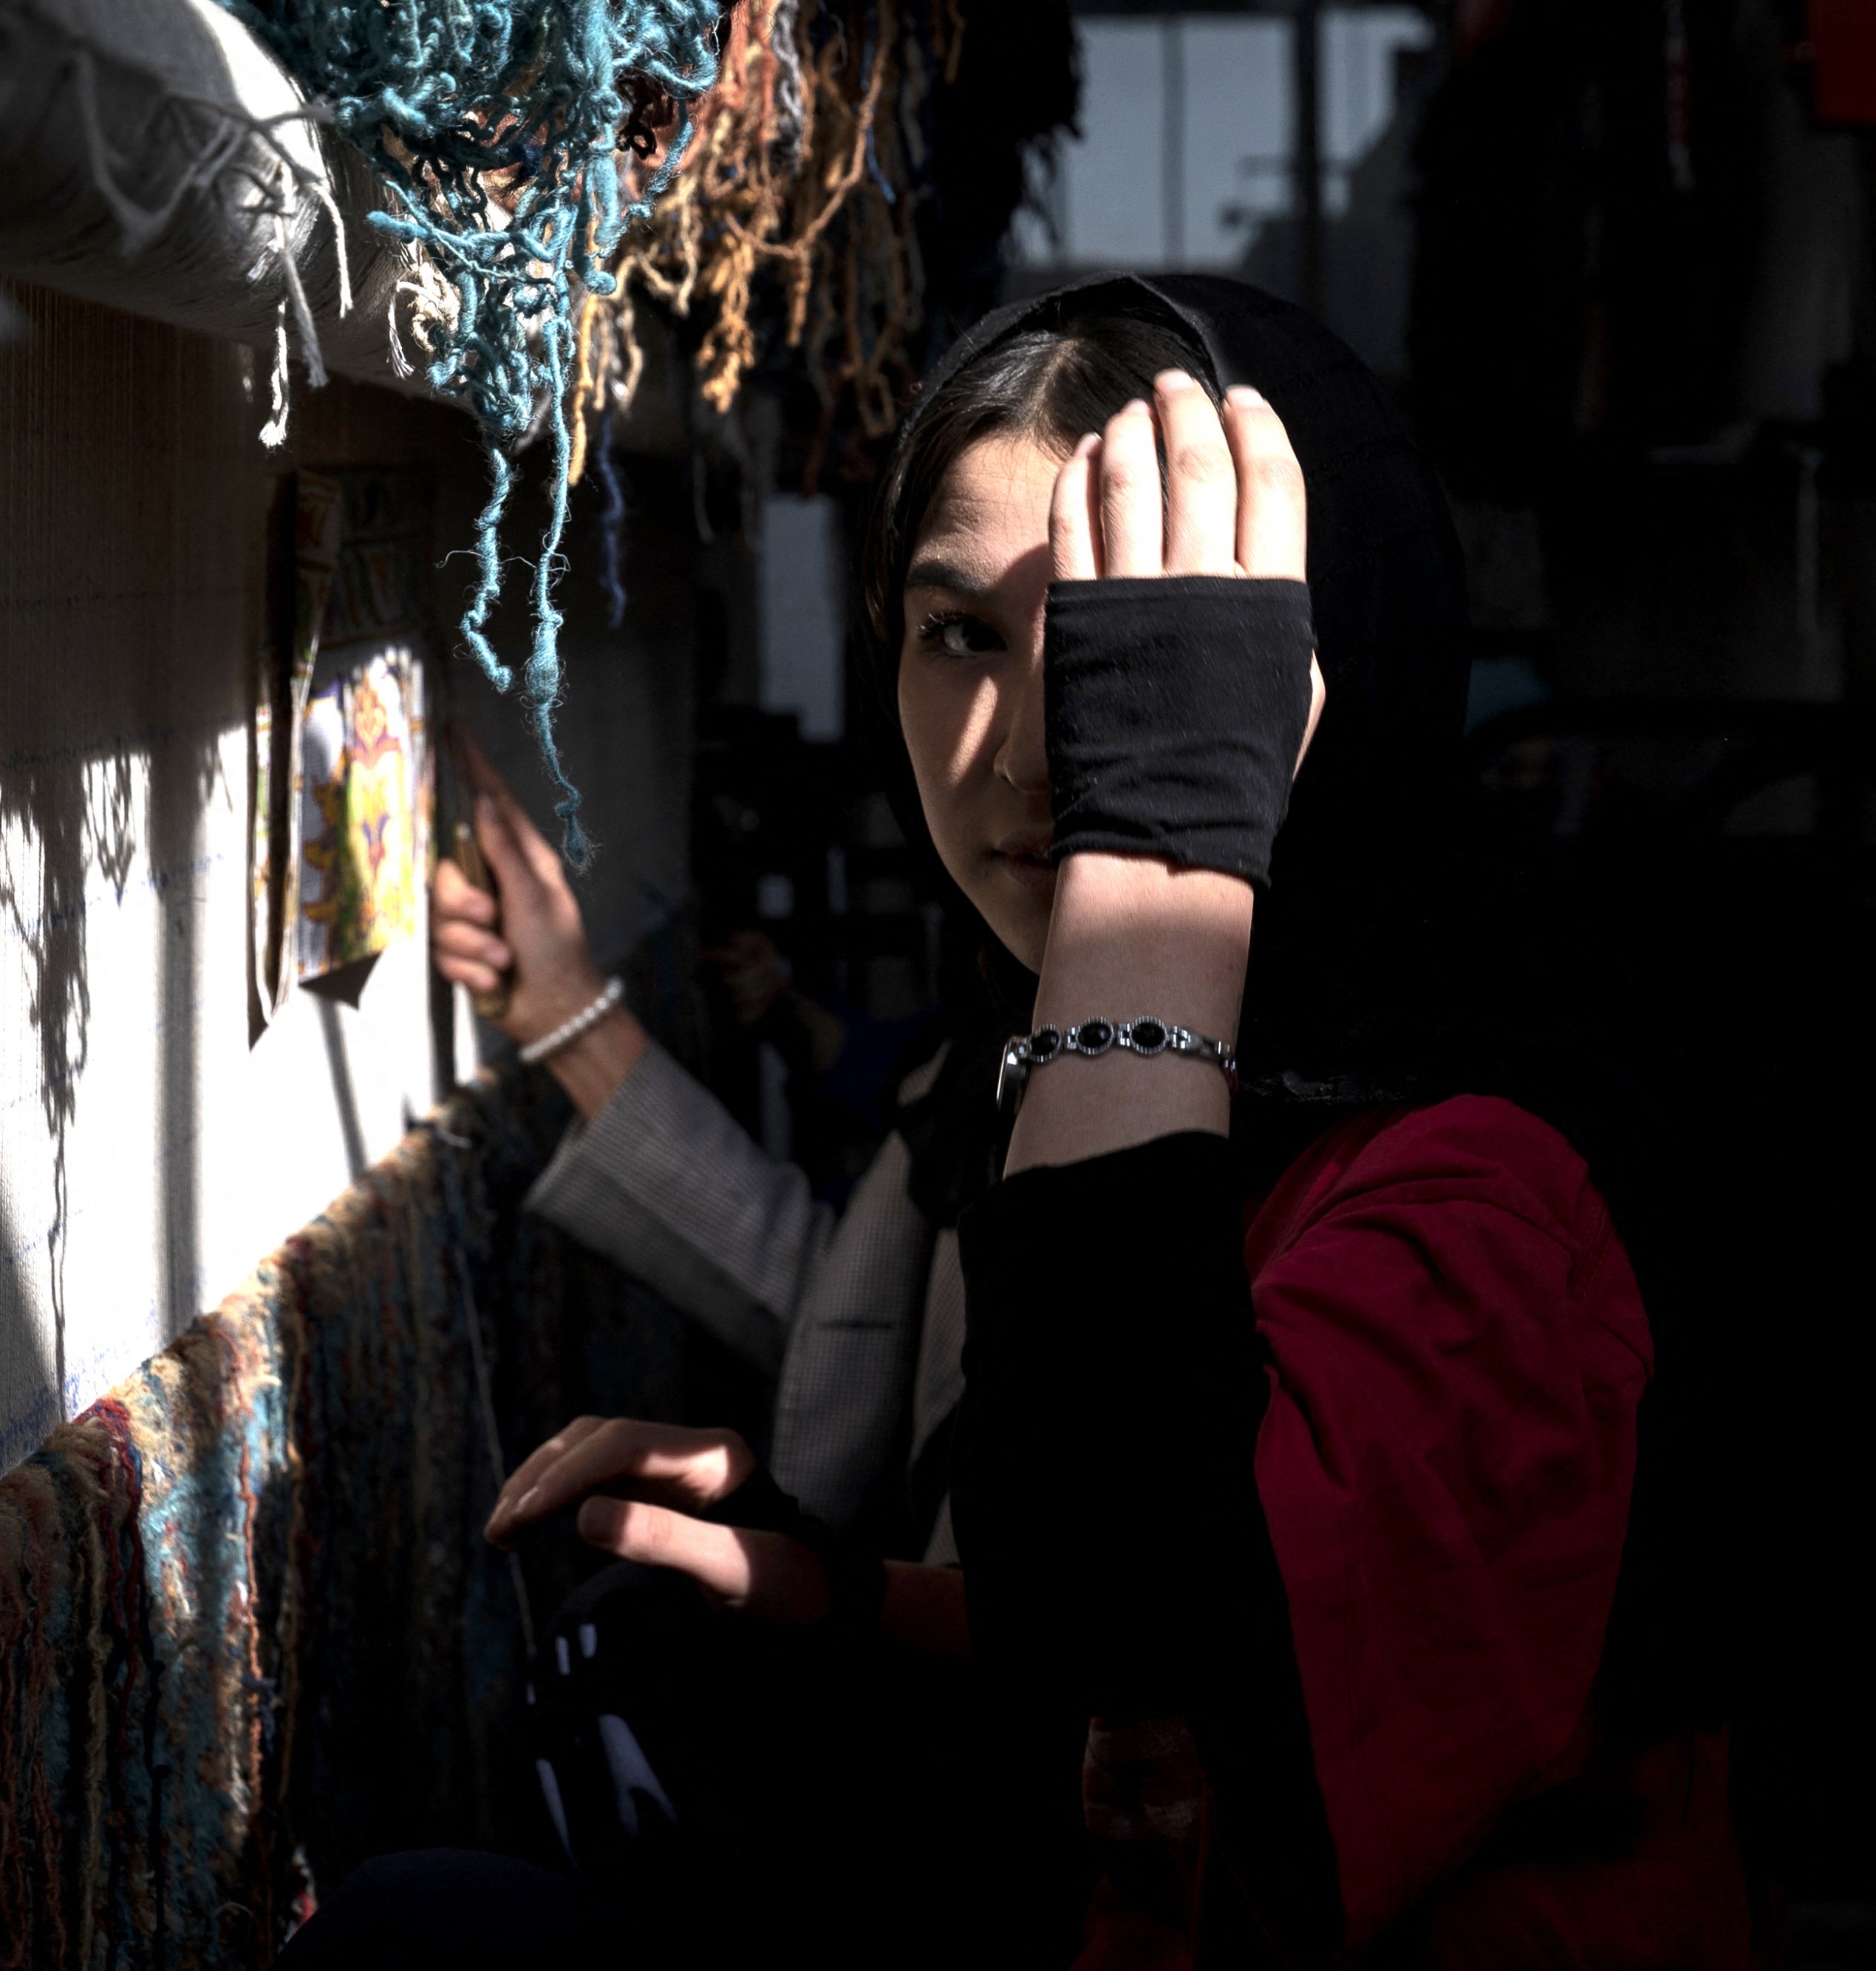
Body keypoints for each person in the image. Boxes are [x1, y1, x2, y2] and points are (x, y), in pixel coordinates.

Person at [313, 275, 1744, 1967]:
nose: (1017, 753)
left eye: (1132, 657)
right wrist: (817, 1579)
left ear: (1317, 668)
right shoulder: (1020, 1053)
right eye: (957, 636)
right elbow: (1077, 1590)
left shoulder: (1481, 1214)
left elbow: (1175, 1710)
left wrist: (1159, 858)